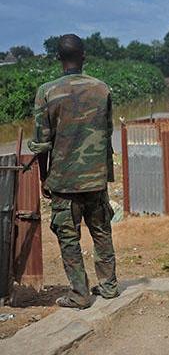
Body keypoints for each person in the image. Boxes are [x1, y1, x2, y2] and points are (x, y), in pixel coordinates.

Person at [29, 34, 119, 308]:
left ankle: (80, 294)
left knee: (69, 238)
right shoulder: (102, 89)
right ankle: (109, 286)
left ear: (59, 59)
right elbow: (107, 134)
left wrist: (45, 178)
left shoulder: (47, 92)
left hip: (64, 182)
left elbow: (42, 143)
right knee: (101, 232)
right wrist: (104, 176)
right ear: (84, 57)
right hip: (95, 179)